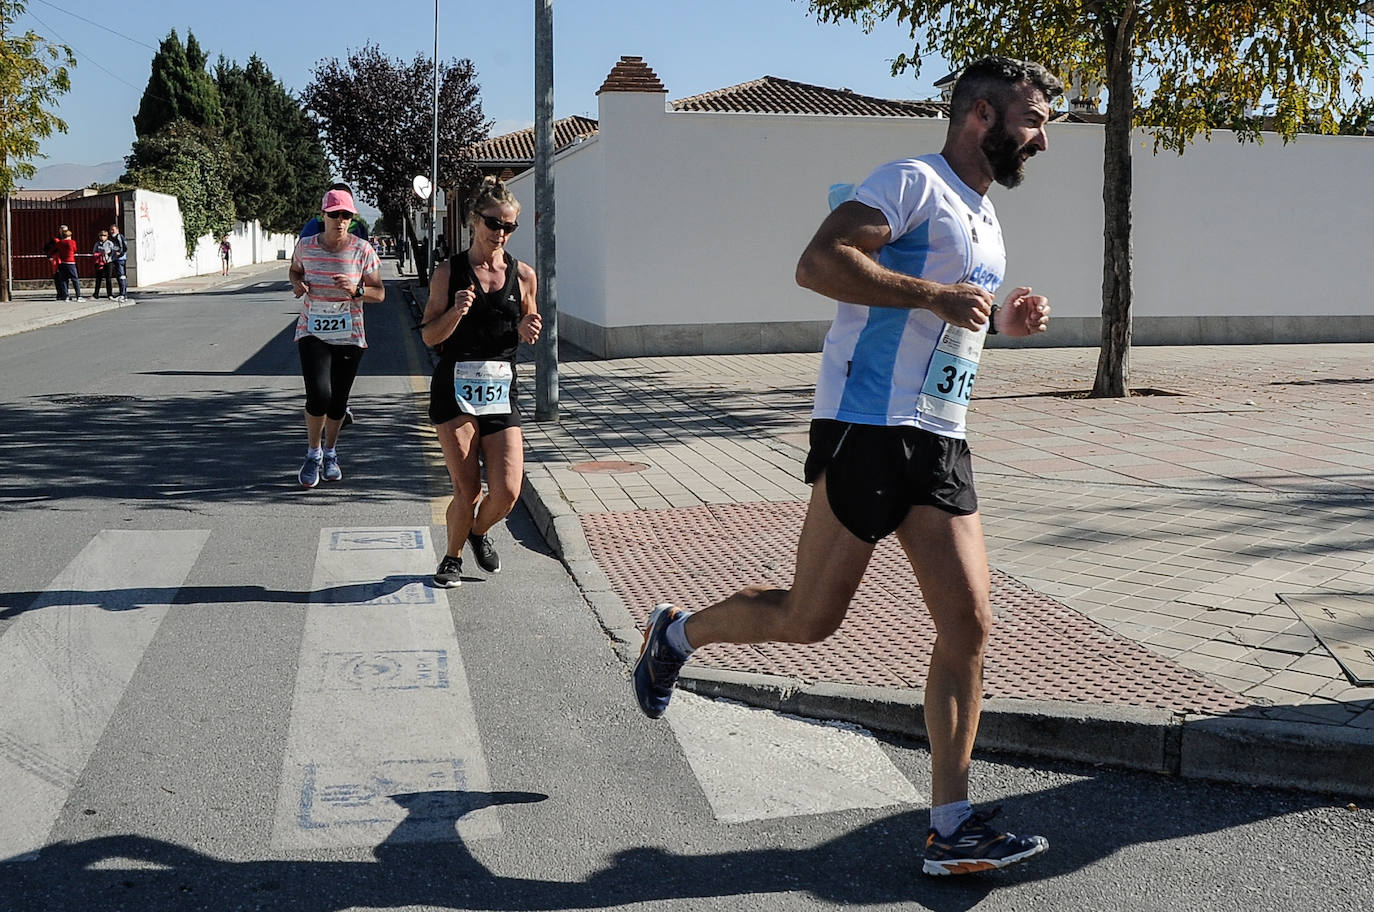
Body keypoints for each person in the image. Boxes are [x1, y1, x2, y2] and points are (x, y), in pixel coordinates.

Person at [631, 56, 1060, 877]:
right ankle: (675, 636)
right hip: (867, 427)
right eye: (1032, 120)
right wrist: (932, 296)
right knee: (809, 618)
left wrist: (1002, 321)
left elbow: (946, 323)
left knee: (969, 624)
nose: (1040, 139)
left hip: (939, 435)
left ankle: (950, 825)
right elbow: (820, 263)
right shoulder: (910, 182)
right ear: (981, 114)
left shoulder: (985, 215)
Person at [421, 177, 541, 588]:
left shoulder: (523, 275)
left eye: (509, 227)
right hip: (455, 389)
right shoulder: (448, 272)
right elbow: (429, 336)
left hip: (500, 389)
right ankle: (451, 557)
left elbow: (528, 321)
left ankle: (477, 532)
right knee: (468, 486)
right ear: (474, 221)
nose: (501, 234)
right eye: (494, 224)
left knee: (507, 490)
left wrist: (528, 328)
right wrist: (455, 312)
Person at [288, 187, 384, 488]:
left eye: (346, 215)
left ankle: (330, 452)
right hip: (312, 329)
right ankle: (313, 453)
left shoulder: (362, 250)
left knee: (339, 401)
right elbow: (294, 271)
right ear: (323, 216)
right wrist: (298, 283)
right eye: (334, 215)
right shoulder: (306, 245)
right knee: (319, 395)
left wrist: (356, 291)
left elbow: (379, 293)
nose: (340, 220)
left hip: (349, 333)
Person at [52, 225, 84, 302]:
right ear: (69, 236)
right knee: (75, 279)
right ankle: (78, 296)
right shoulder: (72, 242)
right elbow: (75, 249)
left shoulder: (59, 243)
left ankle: (66, 296)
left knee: (63, 280)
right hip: (70, 262)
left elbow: (55, 250)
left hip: (62, 262)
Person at [108, 221, 129, 302]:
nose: (111, 231)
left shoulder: (119, 237)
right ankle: (123, 294)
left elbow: (124, 247)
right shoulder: (115, 238)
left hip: (120, 259)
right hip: (117, 259)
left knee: (121, 276)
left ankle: (122, 295)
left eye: (113, 229)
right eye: (111, 230)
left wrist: (119, 254)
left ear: (117, 230)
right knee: (120, 276)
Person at [92, 230, 115, 299]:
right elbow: (94, 252)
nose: (102, 237)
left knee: (108, 278)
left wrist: (108, 257)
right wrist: (98, 255)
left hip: (108, 262)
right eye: (101, 236)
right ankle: (96, 293)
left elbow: (113, 253)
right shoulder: (97, 244)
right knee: (98, 278)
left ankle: (110, 294)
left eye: (104, 236)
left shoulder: (110, 243)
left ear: (107, 236)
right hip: (100, 263)